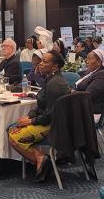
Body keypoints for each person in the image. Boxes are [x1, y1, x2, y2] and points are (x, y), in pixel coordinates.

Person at [7, 51, 70, 182]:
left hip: (53, 126)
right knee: (12, 128)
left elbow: (50, 115)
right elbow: (41, 105)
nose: (40, 64)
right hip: (50, 121)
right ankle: (42, 159)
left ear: (55, 67)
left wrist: (30, 121)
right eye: (42, 60)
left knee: (13, 136)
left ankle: (41, 161)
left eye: (45, 62)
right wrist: (30, 116)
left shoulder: (55, 84)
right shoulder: (52, 79)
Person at [73, 49, 104, 114]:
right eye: (86, 58)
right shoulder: (91, 72)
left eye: (89, 58)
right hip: (80, 103)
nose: (86, 61)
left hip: (89, 109)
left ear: (98, 62)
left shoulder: (102, 77)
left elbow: (88, 95)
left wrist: (72, 92)